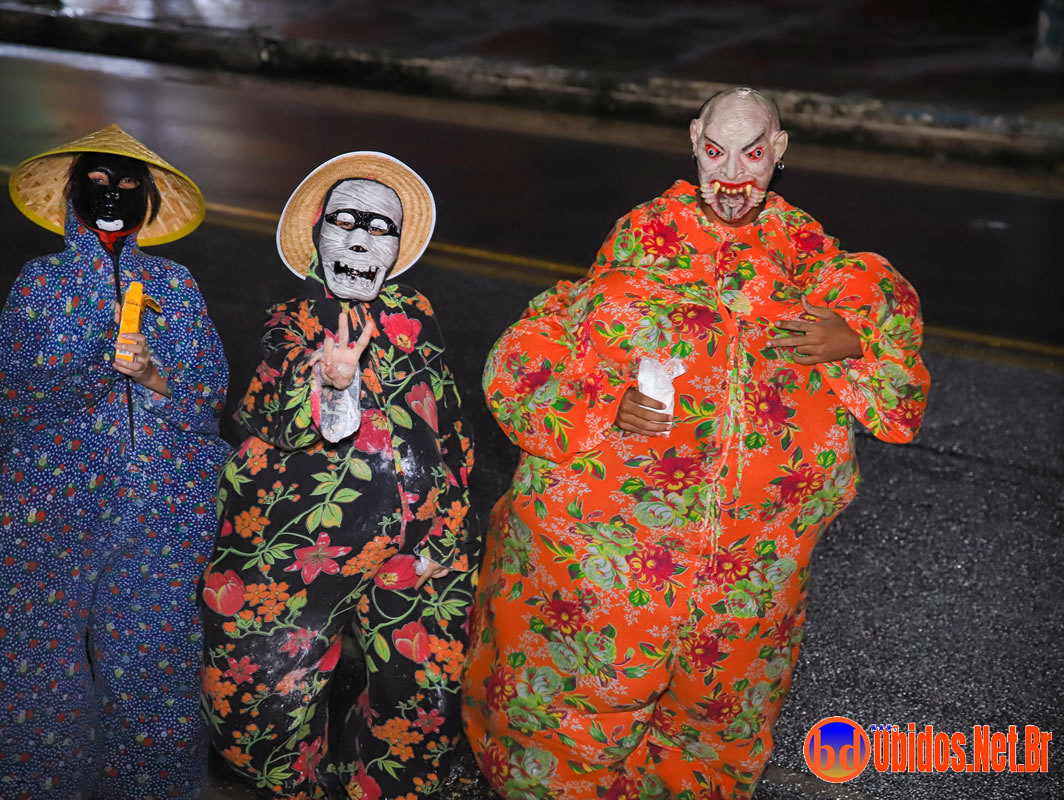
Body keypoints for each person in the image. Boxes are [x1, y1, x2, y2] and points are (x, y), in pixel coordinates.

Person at [462, 88, 930, 799]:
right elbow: (544, 345)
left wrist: (856, 336)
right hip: (622, 551)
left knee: (718, 723)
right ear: (693, 142)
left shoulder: (806, 253)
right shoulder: (645, 238)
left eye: (752, 153)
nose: (733, 175)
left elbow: (888, 320)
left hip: (751, 561)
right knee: (579, 708)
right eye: (716, 152)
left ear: (779, 151)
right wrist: (603, 402)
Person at [0, 125, 230, 799]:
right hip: (52, 499)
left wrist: (151, 374)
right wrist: (90, 361)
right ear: (72, 194)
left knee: (152, 664)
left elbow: (208, 393)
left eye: (127, 184)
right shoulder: (40, 282)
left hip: (160, 505)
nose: (112, 194)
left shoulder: (176, 285)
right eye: (96, 182)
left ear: (148, 199)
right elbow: (8, 390)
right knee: (31, 661)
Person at [200, 152, 479, 799]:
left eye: (380, 228)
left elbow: (448, 420)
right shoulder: (291, 321)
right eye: (345, 221)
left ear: (396, 248)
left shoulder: (414, 313)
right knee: (266, 692)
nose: (359, 240)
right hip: (306, 546)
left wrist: (451, 523)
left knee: (422, 692)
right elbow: (279, 414)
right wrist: (333, 381)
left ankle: (383, 787)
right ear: (318, 232)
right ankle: (294, 784)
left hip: (414, 543)